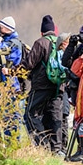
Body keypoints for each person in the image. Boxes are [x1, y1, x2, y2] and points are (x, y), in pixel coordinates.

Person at [22, 15, 64, 154]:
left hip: (41, 86)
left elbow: (29, 63)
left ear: (42, 32)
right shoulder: (61, 43)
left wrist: (12, 70)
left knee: (30, 113)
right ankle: (56, 148)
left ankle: (42, 145)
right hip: (58, 87)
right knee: (53, 116)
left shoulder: (40, 43)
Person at [62, 24, 83, 162]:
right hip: (78, 90)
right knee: (80, 119)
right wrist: (71, 45)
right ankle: (82, 149)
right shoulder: (80, 50)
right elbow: (66, 63)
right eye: (82, 36)